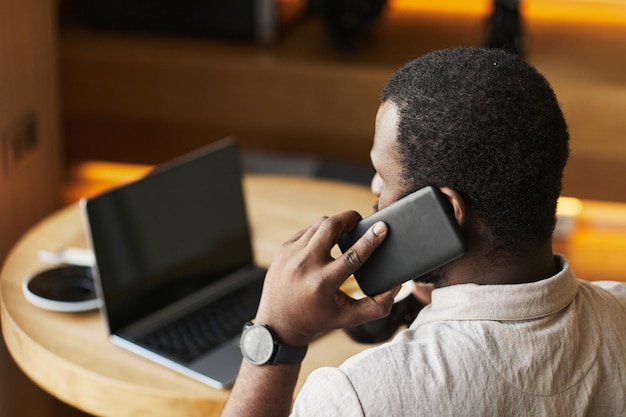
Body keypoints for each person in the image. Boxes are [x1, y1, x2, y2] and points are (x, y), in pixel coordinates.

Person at [221, 47, 626, 416]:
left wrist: (276, 336)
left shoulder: (356, 397)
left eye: (382, 174)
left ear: (448, 211)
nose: (376, 188)